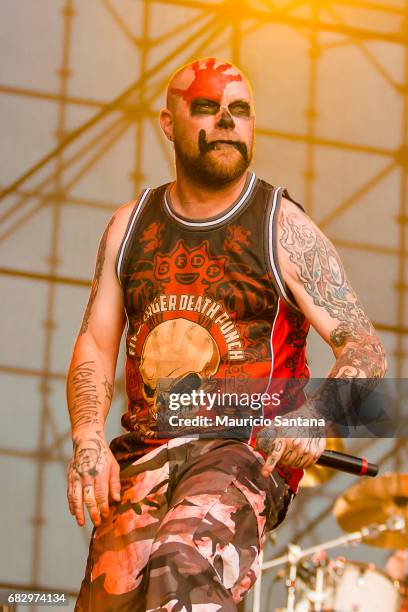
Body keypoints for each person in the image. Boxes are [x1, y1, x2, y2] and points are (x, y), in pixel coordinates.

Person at [66, 58, 386, 611]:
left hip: (239, 452)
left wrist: (314, 415)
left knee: (182, 566)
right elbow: (95, 344)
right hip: (145, 453)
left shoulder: (281, 226)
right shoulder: (130, 225)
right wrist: (88, 439)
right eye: (207, 109)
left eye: (239, 111)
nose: (226, 122)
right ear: (169, 123)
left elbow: (364, 347)